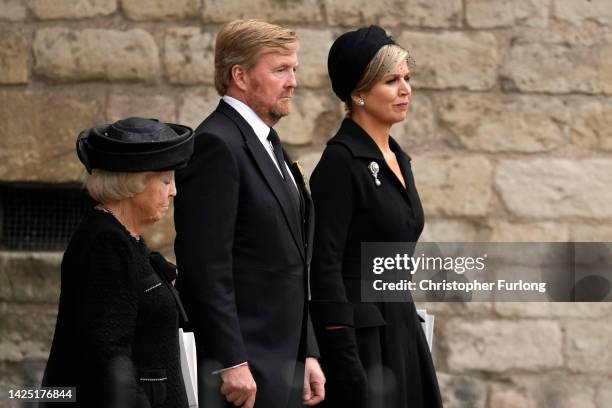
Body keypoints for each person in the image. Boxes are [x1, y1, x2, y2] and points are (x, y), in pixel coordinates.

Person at [173, 19, 325, 408]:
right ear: (239, 75)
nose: (293, 81)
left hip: (281, 362)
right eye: (280, 70)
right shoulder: (216, 144)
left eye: (294, 69)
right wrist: (231, 361)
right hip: (244, 374)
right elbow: (205, 266)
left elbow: (289, 261)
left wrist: (306, 350)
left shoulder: (268, 142)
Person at [309, 26, 444, 408]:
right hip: (362, 338)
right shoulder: (340, 162)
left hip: (400, 322)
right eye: (391, 80)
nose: (406, 90)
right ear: (359, 94)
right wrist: (344, 355)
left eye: (406, 78)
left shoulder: (397, 157)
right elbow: (325, 267)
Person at [41, 117, 195, 408]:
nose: (173, 191)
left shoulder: (125, 236)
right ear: (133, 184)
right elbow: (106, 353)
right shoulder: (105, 243)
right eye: (165, 180)